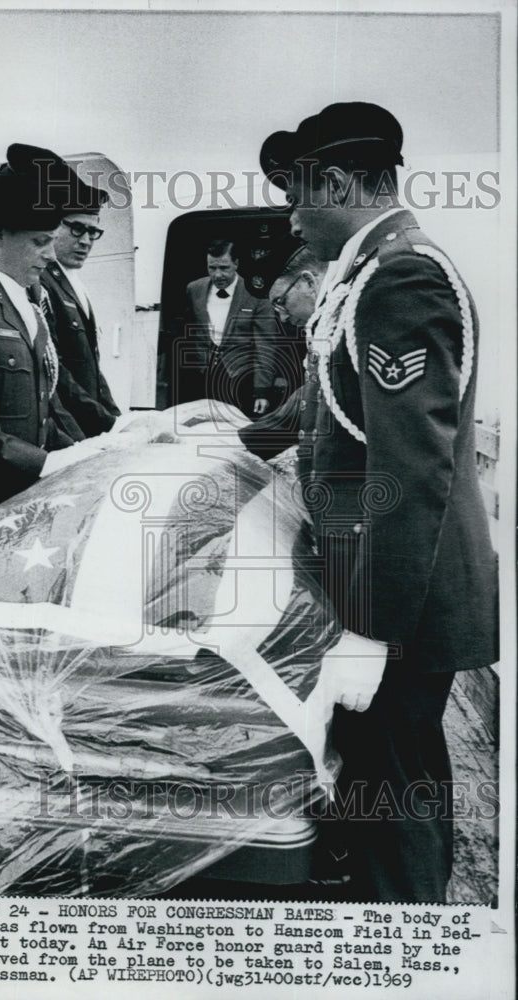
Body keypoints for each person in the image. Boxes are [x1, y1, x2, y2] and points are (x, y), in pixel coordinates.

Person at [257, 102, 498, 903]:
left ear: (335, 182)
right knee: (386, 782)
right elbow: (338, 420)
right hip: (382, 585)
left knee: (394, 795)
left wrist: (371, 630)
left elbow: (413, 471)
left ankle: (410, 956)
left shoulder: (399, 277)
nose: (292, 217)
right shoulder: (373, 272)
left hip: (397, 598)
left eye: (296, 196)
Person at [0, 154, 81, 505]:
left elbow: (40, 407)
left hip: (29, 492)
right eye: (39, 242)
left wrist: (82, 452)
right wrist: (44, 463)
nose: (50, 255)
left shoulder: (25, 305)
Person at [38, 160, 121, 438]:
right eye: (77, 228)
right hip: (67, 427)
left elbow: (92, 368)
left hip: (88, 423)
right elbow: (56, 368)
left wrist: (115, 416)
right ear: (54, 226)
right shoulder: (42, 282)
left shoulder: (73, 282)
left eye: (93, 232)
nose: (86, 241)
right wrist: (105, 421)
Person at [238, 246, 327, 460]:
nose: (284, 318)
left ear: (308, 283)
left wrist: (242, 443)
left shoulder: (347, 318)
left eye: (281, 302)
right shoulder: (324, 324)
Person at [178, 240, 280, 418]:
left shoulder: (256, 294)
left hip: (241, 379)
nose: (217, 275)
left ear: (236, 264)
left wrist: (261, 391)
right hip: (203, 376)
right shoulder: (194, 289)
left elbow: (265, 345)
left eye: (224, 268)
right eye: (212, 268)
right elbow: (190, 331)